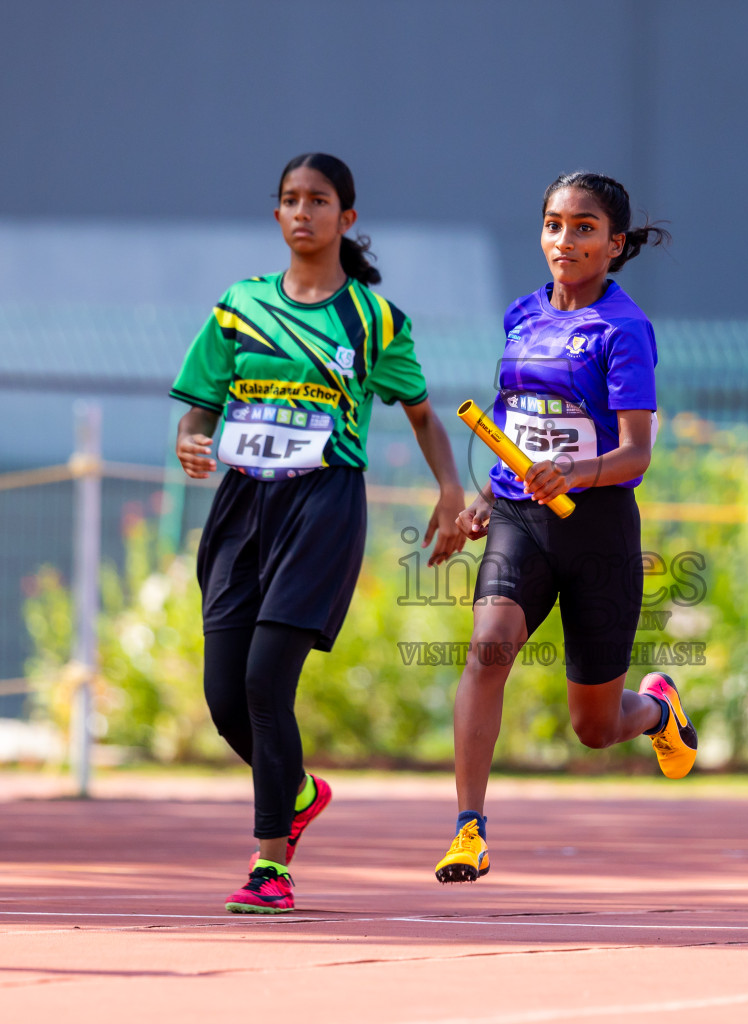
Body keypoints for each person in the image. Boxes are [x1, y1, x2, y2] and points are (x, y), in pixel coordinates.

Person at [171, 153, 466, 912]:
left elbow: (423, 414)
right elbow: (199, 406)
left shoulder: (373, 318)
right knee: (225, 697)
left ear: (347, 218)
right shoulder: (238, 306)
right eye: (290, 200)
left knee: (268, 680)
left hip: (323, 506)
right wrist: (191, 438)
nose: (302, 212)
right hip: (243, 504)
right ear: (276, 215)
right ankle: (299, 790)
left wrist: (449, 487)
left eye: (319, 200)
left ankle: (271, 866)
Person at [433, 171, 693, 884]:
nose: (564, 239)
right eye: (553, 224)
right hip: (521, 517)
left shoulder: (624, 330)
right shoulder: (522, 316)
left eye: (583, 227)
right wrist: (489, 493)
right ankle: (468, 830)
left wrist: (575, 474)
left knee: (594, 728)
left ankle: (657, 710)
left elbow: (638, 452)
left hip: (598, 525)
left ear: (614, 244)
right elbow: (516, 418)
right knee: (489, 648)